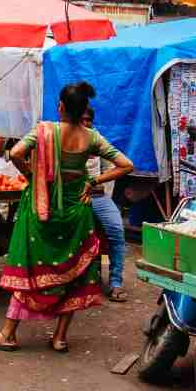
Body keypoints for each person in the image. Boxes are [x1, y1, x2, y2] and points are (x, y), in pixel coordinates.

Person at [0, 82, 134, 352]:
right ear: (83, 109)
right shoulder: (92, 137)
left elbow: (15, 153)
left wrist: (32, 174)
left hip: (42, 209)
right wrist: (94, 181)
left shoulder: (44, 131)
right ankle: (60, 337)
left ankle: (8, 333)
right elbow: (126, 165)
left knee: (30, 267)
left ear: (60, 106)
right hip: (76, 213)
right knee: (73, 272)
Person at [82, 108, 130, 302]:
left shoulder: (97, 140)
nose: (85, 123)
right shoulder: (67, 138)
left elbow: (113, 168)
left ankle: (116, 282)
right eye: (82, 119)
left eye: (88, 120)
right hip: (75, 197)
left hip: (97, 195)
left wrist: (99, 186)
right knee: (84, 234)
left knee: (116, 229)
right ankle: (89, 279)